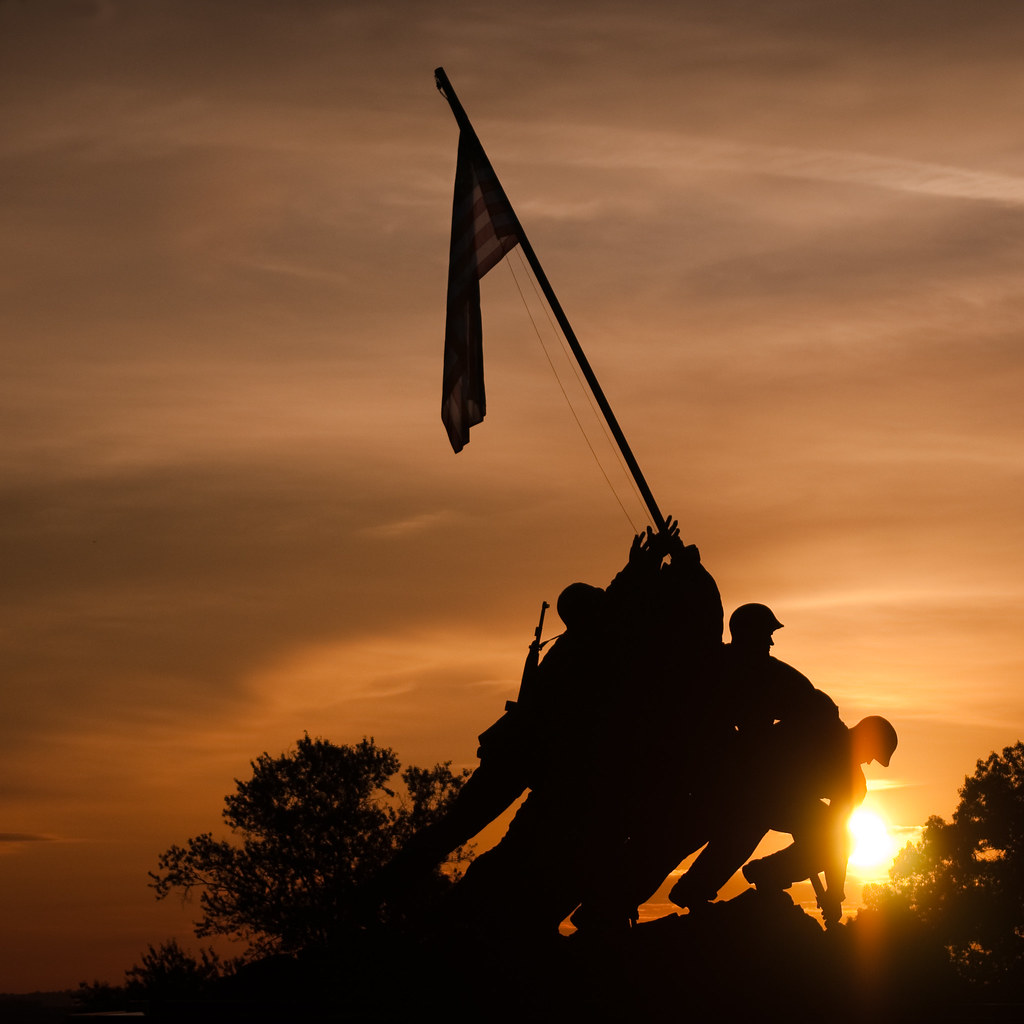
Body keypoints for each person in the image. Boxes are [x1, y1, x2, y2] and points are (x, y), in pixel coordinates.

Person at [668, 714, 897, 922]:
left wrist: (834, 892)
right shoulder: (819, 726)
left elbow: (836, 835)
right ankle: (702, 888)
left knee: (755, 827)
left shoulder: (854, 784)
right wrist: (834, 892)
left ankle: (763, 874)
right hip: (748, 780)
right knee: (745, 829)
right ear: (866, 738)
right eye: (872, 755)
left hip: (775, 802)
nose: (868, 762)